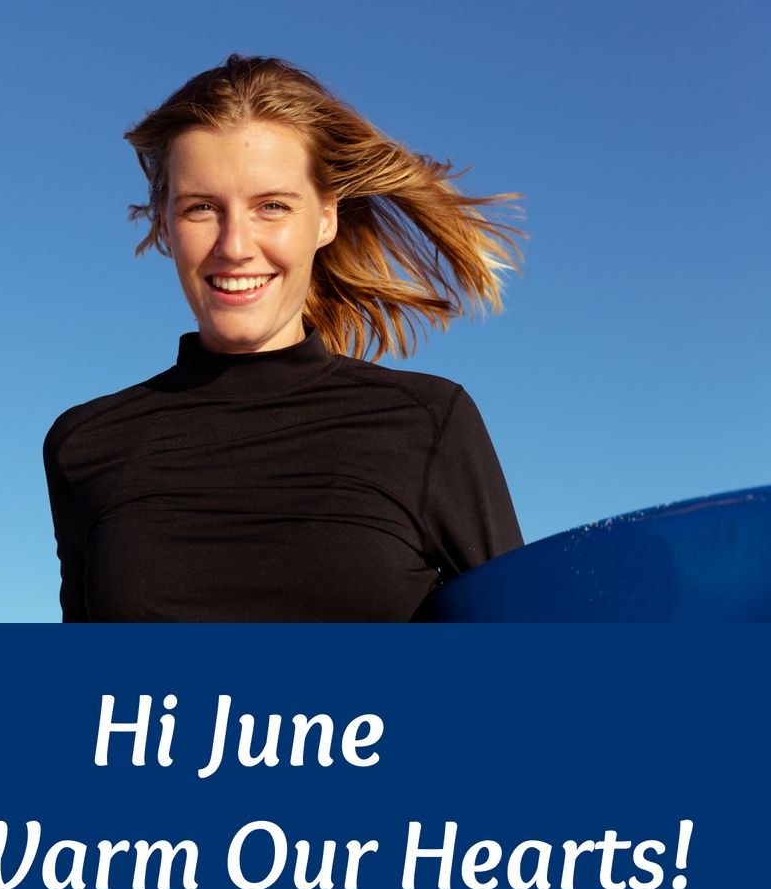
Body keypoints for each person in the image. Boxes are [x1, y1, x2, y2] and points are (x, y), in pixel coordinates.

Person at [44, 54, 523, 622]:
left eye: (271, 206)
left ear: (325, 218)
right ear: (165, 227)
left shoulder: (427, 423)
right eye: (202, 208)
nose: (236, 245)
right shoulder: (85, 444)